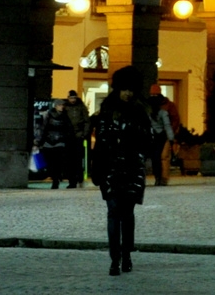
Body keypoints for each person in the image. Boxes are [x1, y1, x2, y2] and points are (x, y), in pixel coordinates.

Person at [90, 66, 150, 276]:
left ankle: (127, 255)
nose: (127, 93)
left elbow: (148, 141)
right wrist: (96, 169)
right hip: (111, 168)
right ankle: (115, 259)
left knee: (128, 214)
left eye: (130, 90)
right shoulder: (106, 111)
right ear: (117, 89)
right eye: (124, 89)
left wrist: (134, 136)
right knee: (113, 213)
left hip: (132, 168)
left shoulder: (141, 112)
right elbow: (99, 144)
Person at [35, 97, 76, 189]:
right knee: (52, 163)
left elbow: (69, 129)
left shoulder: (65, 116)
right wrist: (39, 141)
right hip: (49, 142)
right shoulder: (49, 115)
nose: (61, 107)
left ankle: (56, 180)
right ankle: (55, 179)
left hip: (60, 142)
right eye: (59, 105)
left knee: (59, 163)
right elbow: (44, 129)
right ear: (56, 106)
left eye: (62, 105)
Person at [146, 87, 176, 185]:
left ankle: (157, 177)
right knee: (161, 157)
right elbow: (167, 125)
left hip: (152, 137)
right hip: (161, 137)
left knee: (155, 158)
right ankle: (161, 178)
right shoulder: (163, 112)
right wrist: (171, 138)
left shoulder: (148, 114)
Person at [64, 90, 90, 189]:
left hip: (78, 136)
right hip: (69, 136)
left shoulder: (81, 107)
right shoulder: (66, 107)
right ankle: (72, 181)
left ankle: (79, 179)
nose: (73, 100)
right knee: (70, 160)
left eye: (74, 98)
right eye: (71, 98)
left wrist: (84, 134)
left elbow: (86, 121)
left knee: (78, 160)